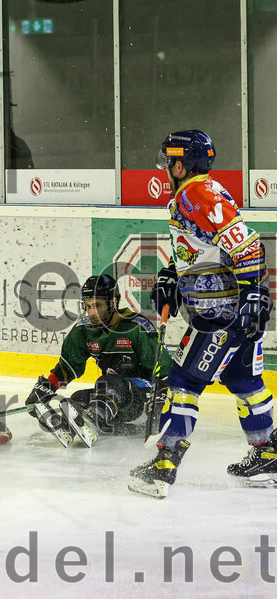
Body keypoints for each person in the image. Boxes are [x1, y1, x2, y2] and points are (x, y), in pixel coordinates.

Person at [129, 130, 275, 498]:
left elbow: (246, 246)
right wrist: (172, 276)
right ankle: (267, 453)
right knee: (246, 384)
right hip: (236, 315)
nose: (165, 169)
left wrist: (256, 294)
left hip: (219, 315)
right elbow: (208, 251)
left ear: (180, 164)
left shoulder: (197, 194)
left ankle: (164, 466)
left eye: (168, 163)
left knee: (182, 383)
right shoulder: (198, 193)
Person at [25, 275, 171, 447]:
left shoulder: (137, 328)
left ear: (114, 302)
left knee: (108, 384)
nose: (92, 312)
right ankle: (68, 425)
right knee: (78, 398)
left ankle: (93, 419)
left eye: (98, 305)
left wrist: (162, 399)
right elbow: (68, 367)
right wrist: (46, 388)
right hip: (112, 396)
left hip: (142, 400)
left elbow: (165, 372)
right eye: (88, 306)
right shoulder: (84, 331)